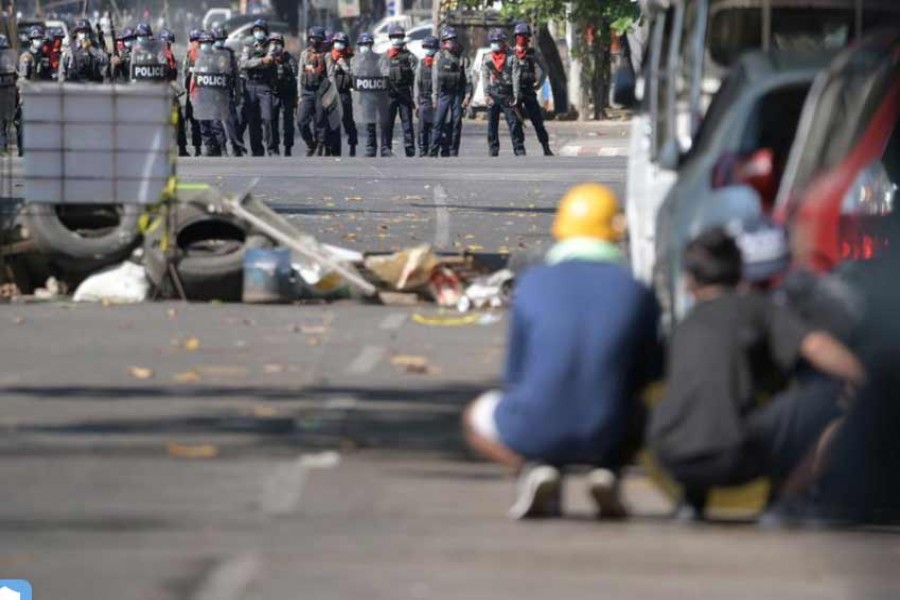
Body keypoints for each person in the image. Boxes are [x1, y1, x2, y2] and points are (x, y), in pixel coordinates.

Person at [462, 183, 663, 520]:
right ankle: (609, 470)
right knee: (652, 406)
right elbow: (651, 374)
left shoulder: (532, 284)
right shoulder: (636, 290)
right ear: (616, 230)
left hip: (534, 426)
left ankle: (534, 467)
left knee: (474, 416)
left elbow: (515, 374)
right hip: (610, 427)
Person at [647, 227, 866, 522]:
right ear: (741, 275)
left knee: (703, 408)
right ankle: (786, 502)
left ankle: (692, 500)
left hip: (669, 456)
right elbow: (817, 346)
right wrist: (868, 380)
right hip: (732, 456)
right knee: (836, 403)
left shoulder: (681, 326)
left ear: (689, 282)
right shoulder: (758, 308)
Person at [428, 26, 471, 158]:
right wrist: (434, 97)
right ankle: (433, 150)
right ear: (443, 42)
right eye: (448, 40)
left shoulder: (462, 57)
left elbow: (468, 78)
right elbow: (435, 78)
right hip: (443, 94)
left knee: (456, 122)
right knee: (438, 122)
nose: (451, 43)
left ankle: (453, 151)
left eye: (453, 40)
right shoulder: (438, 56)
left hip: (457, 94)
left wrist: (468, 95)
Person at [512, 22, 553, 156]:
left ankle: (546, 148)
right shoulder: (511, 54)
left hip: (529, 91)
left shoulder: (532, 53)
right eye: (519, 35)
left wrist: (539, 84)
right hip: (515, 93)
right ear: (516, 37)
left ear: (529, 37)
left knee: (538, 121)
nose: (522, 38)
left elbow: (545, 69)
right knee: (516, 123)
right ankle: (519, 150)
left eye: (524, 36)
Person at [483, 28, 525, 157]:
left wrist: (516, 96)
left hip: (508, 94)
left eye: (498, 41)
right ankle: (493, 149)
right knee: (492, 124)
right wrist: (486, 95)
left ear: (503, 42)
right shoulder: (487, 57)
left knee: (514, 123)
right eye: (493, 41)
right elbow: (484, 76)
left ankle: (519, 149)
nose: (495, 43)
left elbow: (516, 77)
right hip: (494, 93)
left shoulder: (512, 57)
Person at [240, 18, 277, 156]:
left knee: (268, 118)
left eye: (261, 30)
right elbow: (243, 64)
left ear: (266, 32)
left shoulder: (271, 45)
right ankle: (257, 150)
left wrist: (254, 62)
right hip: (250, 86)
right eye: (256, 30)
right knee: (253, 120)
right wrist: (261, 60)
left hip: (265, 86)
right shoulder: (248, 46)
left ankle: (272, 149)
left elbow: (270, 60)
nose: (258, 32)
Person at [379, 24, 417, 157]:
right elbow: (380, 76)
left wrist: (414, 97)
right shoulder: (385, 57)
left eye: (399, 36)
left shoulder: (410, 57)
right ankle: (385, 148)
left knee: (407, 123)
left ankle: (410, 148)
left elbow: (415, 77)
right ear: (390, 38)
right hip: (389, 94)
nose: (397, 39)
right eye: (394, 36)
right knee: (387, 122)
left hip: (404, 93)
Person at [214, 26, 247, 157]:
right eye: (218, 39)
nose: (220, 41)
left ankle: (235, 146)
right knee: (216, 122)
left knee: (231, 121)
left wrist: (238, 94)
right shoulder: (208, 54)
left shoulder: (230, 54)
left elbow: (236, 76)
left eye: (222, 39)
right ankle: (222, 147)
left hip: (226, 93)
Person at [297, 26, 330, 157]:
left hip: (321, 92)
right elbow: (300, 75)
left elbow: (331, 76)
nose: (314, 41)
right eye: (312, 38)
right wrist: (299, 95)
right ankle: (310, 143)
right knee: (301, 121)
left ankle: (320, 146)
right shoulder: (305, 54)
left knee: (321, 120)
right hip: (307, 91)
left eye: (317, 38)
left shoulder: (326, 55)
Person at [328, 31, 357, 156]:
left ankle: (352, 145)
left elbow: (354, 76)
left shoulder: (351, 58)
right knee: (333, 122)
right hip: (331, 93)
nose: (338, 45)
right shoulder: (329, 57)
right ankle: (335, 150)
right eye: (336, 42)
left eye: (341, 43)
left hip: (344, 93)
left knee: (347, 120)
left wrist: (344, 66)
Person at [269, 32, 297, 157]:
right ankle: (274, 146)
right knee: (271, 121)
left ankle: (288, 147)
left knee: (288, 122)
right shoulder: (268, 58)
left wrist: (284, 68)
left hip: (287, 94)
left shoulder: (288, 58)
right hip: (273, 93)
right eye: (273, 43)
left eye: (278, 43)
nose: (275, 46)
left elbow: (295, 73)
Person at [59, 19, 108, 83]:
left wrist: (90, 48)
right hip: (73, 83)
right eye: (81, 32)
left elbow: (104, 60)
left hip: (92, 83)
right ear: (76, 33)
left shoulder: (95, 46)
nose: (84, 35)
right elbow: (62, 69)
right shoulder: (69, 47)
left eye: (86, 32)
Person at [415, 35, 438, 157]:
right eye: (426, 47)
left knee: (435, 126)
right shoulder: (421, 63)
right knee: (422, 127)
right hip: (423, 98)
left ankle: (433, 149)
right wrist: (416, 101)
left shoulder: (439, 62)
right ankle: (423, 149)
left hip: (435, 100)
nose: (428, 49)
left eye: (430, 47)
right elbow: (417, 83)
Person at [183, 29, 204, 157]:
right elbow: (184, 73)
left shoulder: (207, 54)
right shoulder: (189, 55)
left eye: (198, 41)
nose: (197, 43)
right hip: (192, 92)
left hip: (204, 92)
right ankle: (197, 147)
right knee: (193, 120)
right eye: (194, 41)